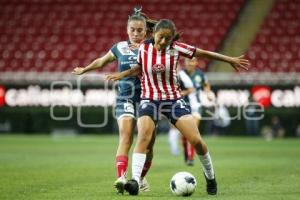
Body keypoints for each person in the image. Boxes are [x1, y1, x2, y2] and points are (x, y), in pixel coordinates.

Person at [106, 19, 250, 196]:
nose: (164, 42)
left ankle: (211, 177)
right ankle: (135, 181)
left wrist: (228, 59)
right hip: (149, 99)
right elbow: (138, 68)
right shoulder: (143, 47)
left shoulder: (177, 48)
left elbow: (204, 53)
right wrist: (122, 74)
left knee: (197, 141)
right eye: (161, 38)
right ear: (154, 35)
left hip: (173, 100)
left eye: (168, 38)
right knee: (143, 136)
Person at [72, 9, 157, 194]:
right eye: (132, 30)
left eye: (140, 30)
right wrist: (84, 69)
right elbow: (102, 61)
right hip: (125, 97)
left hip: (148, 99)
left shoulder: (152, 47)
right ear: (127, 30)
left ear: (146, 31)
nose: (136, 34)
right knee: (126, 136)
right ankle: (121, 177)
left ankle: (140, 178)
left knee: (149, 144)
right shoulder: (119, 47)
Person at [168, 57, 213, 166]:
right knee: (185, 133)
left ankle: (190, 158)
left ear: (196, 62)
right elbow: (174, 90)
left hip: (196, 106)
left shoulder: (200, 74)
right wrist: (185, 92)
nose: (190, 63)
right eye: (188, 61)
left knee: (193, 132)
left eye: (192, 61)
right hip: (182, 105)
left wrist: (208, 93)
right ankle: (185, 152)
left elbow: (206, 85)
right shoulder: (180, 75)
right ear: (185, 62)